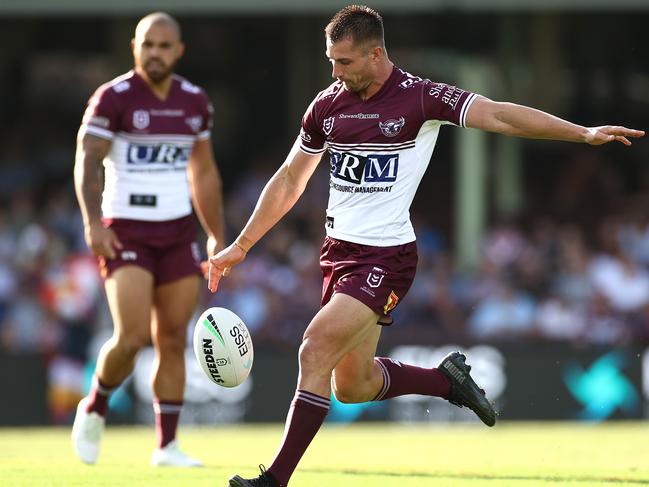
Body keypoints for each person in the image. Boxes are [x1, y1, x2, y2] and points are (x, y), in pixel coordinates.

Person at [208, 6, 644, 487]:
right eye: (331, 61)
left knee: (314, 349)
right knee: (352, 386)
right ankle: (445, 381)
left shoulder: (420, 98)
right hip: (338, 256)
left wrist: (581, 132)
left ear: (376, 54)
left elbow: (499, 114)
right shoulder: (327, 106)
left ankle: (274, 481)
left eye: (345, 62)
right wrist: (242, 244)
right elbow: (291, 179)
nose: (336, 72)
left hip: (386, 259)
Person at [71, 12, 224, 467]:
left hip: (177, 232)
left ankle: (167, 445)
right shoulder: (112, 98)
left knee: (173, 337)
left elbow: (204, 171)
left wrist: (217, 236)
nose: (155, 53)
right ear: (135, 47)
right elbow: (87, 160)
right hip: (126, 230)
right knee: (132, 336)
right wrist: (93, 223)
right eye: (147, 45)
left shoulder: (196, 101)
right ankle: (95, 404)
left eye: (164, 46)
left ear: (179, 51)